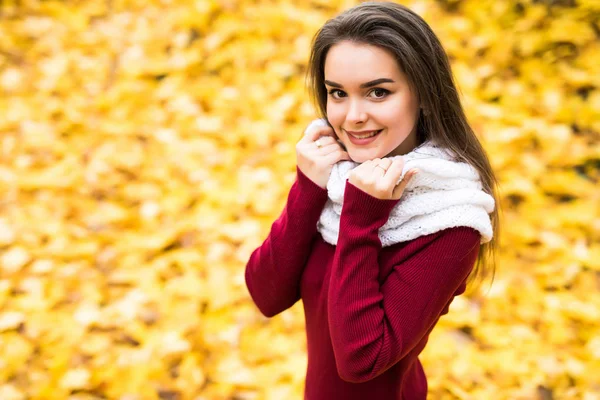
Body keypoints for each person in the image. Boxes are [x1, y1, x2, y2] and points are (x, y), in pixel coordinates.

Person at [244, 2, 501, 399]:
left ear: (426, 95)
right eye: (337, 94)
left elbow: (360, 359)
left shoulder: (451, 219)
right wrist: (307, 190)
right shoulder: (338, 182)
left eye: (378, 92)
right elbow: (267, 294)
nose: (352, 117)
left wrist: (362, 219)